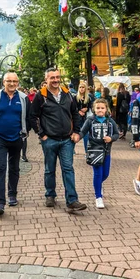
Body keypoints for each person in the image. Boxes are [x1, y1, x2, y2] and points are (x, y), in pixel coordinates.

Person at [31, 67, 87, 211]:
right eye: (52, 78)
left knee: (68, 169)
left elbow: (75, 113)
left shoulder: (68, 94)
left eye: (57, 77)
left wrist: (76, 132)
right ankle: (50, 195)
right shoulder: (40, 96)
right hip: (49, 140)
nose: (55, 80)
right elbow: (33, 116)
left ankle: (72, 200)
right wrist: (42, 134)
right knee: (50, 169)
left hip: (67, 140)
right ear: (46, 80)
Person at [0, 72, 34, 215]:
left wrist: (25, 131)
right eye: (9, 81)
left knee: (14, 168)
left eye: (14, 81)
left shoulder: (23, 98)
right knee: (0, 168)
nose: (12, 84)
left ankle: (12, 194)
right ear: (3, 82)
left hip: (17, 139)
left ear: (18, 83)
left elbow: (29, 117)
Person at [79, 98, 119, 209]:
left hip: (106, 151)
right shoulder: (90, 120)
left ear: (106, 109)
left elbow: (116, 134)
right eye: (98, 108)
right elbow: (83, 131)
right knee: (97, 173)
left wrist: (111, 138)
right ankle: (98, 197)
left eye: (102, 108)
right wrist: (77, 137)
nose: (100, 110)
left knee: (105, 174)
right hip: (94, 151)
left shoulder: (110, 121)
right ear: (94, 109)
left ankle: (98, 185)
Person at [76, 82, 93, 152]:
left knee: (85, 135)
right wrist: (79, 111)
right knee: (75, 134)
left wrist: (86, 109)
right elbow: (73, 107)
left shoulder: (88, 98)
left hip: (85, 119)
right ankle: (72, 150)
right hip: (77, 119)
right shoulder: (75, 97)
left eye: (83, 87)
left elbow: (90, 106)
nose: (81, 89)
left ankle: (87, 151)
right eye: (80, 87)